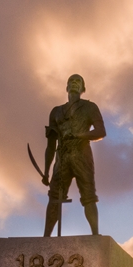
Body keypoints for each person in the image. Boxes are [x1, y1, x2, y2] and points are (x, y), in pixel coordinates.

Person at [43, 73, 106, 237]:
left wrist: (80, 136)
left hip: (82, 155)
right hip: (61, 159)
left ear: (83, 88)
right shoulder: (56, 112)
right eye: (71, 80)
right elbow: (50, 145)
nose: (74, 83)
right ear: (66, 86)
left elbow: (101, 131)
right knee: (54, 197)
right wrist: (46, 171)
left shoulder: (90, 107)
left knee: (89, 196)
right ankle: (46, 237)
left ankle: (95, 236)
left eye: (79, 81)